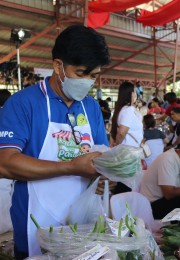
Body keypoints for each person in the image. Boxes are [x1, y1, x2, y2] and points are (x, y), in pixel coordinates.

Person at [0, 24, 111, 258]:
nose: (88, 82)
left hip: (82, 224)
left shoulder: (90, 107)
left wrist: (105, 176)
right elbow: (5, 162)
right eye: (81, 74)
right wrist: (71, 167)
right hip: (36, 222)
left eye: (94, 76)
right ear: (58, 66)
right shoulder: (24, 103)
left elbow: (102, 157)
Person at [110, 82, 143, 147]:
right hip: (129, 151)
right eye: (134, 91)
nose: (135, 94)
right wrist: (117, 144)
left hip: (127, 150)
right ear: (130, 93)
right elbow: (121, 133)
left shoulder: (122, 109)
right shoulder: (128, 110)